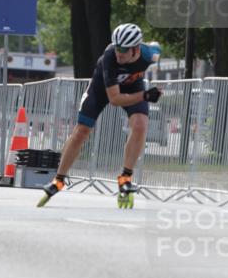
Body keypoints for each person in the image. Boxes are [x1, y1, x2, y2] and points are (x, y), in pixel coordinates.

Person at [38, 23, 161, 207]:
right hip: (103, 90)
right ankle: (59, 179)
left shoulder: (148, 54)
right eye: (116, 46)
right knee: (81, 131)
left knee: (140, 125)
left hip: (133, 85)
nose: (119, 52)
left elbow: (156, 47)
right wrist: (144, 95)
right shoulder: (109, 58)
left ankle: (125, 178)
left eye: (124, 49)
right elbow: (115, 99)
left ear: (136, 49)